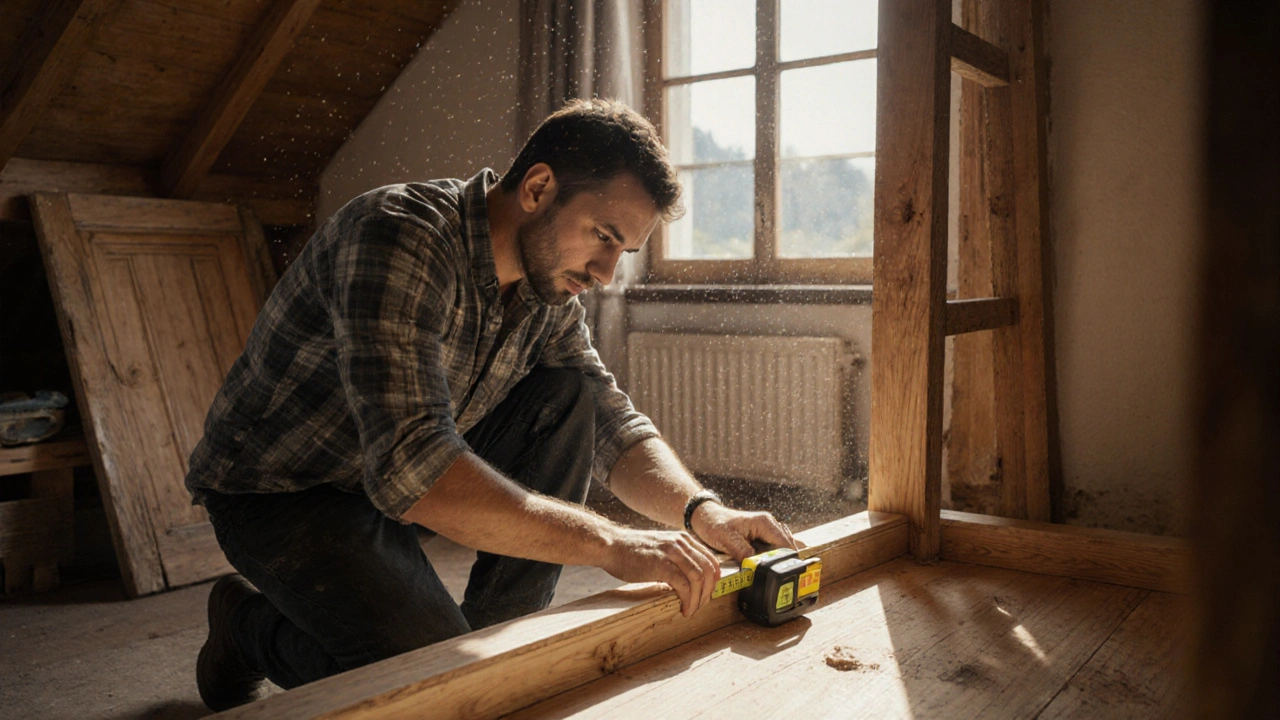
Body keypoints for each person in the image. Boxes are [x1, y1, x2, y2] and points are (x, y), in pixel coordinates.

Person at [185, 98, 795, 711]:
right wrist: (613, 543)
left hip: (389, 484)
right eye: (603, 237)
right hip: (283, 495)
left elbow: (610, 419)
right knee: (432, 693)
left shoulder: (548, 290)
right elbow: (415, 469)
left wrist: (702, 512)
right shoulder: (398, 236)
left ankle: (497, 644)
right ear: (537, 188)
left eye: (623, 252)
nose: (607, 273)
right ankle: (245, 627)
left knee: (569, 397)